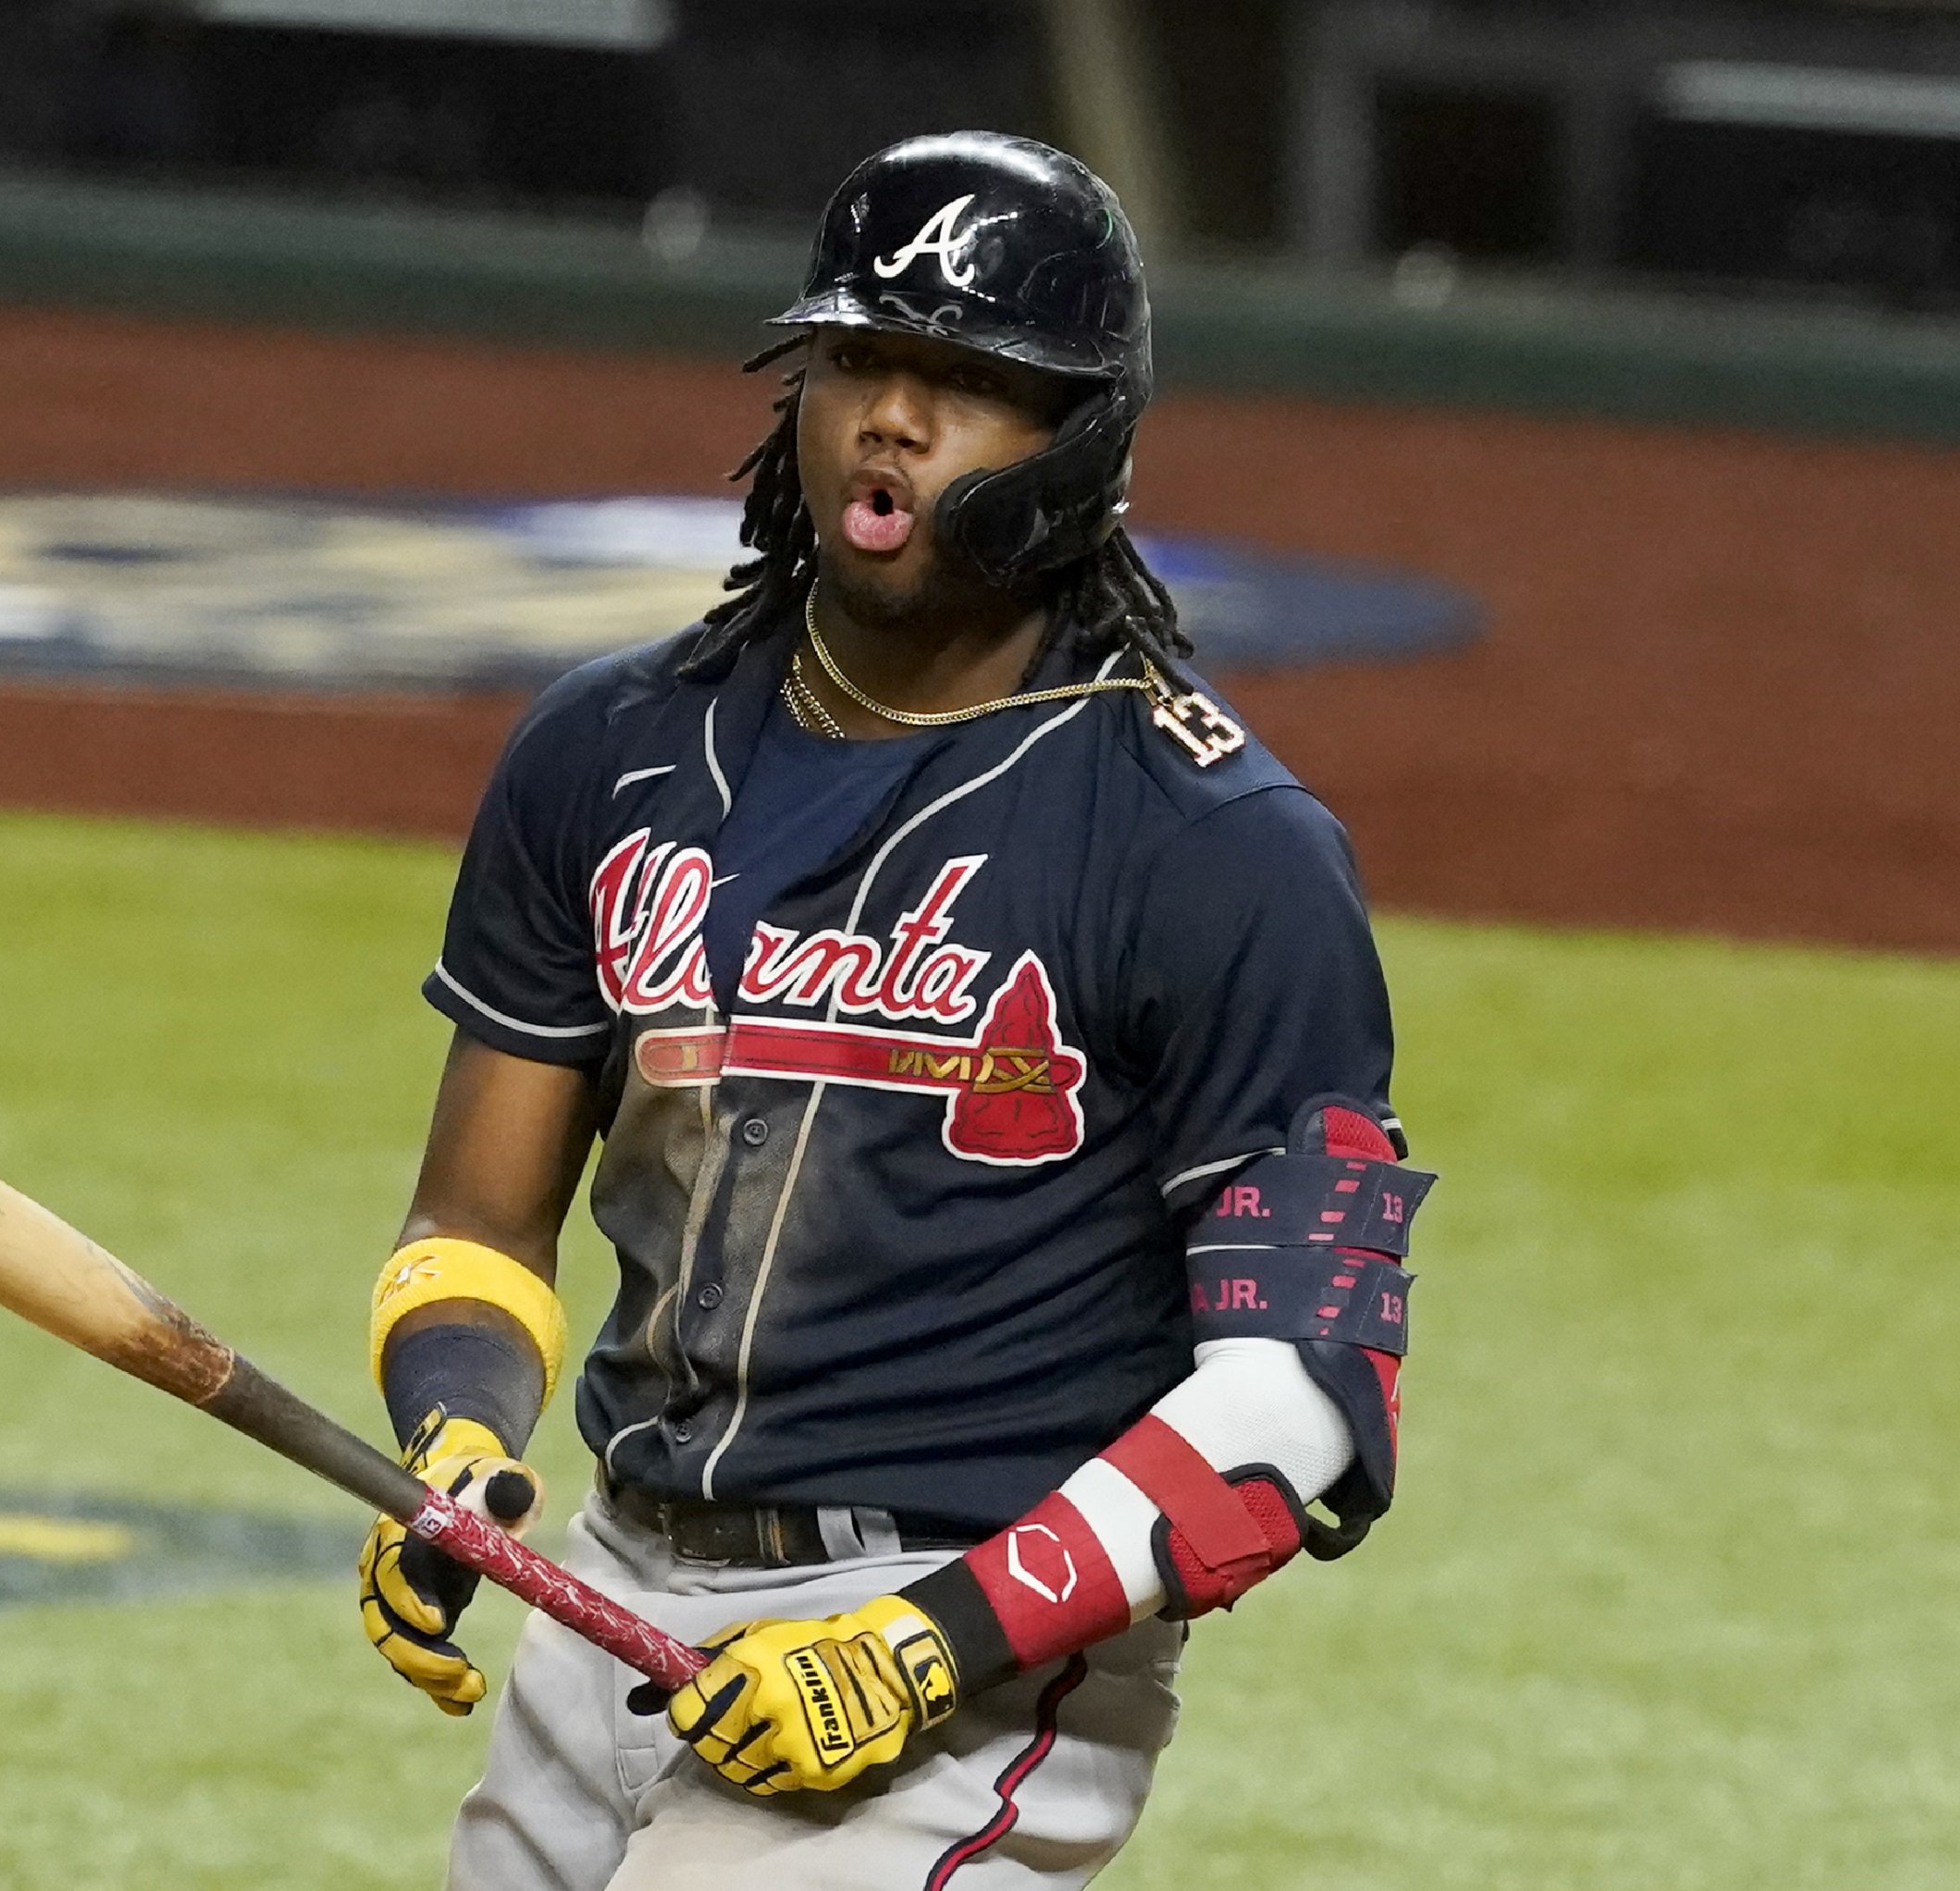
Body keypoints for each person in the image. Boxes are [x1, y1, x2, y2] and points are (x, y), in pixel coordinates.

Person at [355, 129, 1433, 1889]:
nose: (894, 420)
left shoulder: (1218, 845)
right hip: (610, 1588)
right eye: (862, 359)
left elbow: (1308, 1382)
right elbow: (476, 1220)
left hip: (972, 1648)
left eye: (970, 383)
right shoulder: (609, 751)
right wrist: (457, 1447)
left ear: (1081, 437)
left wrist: (927, 1641)